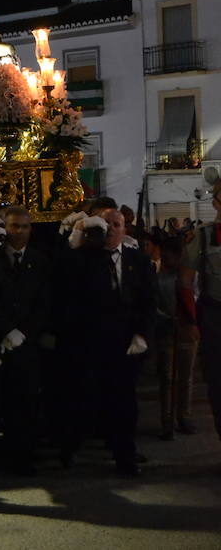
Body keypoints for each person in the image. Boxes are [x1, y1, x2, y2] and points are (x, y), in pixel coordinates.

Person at [63, 209, 155, 475]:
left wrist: (142, 334)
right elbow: (67, 288)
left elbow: (148, 302)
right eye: (107, 225)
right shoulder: (83, 259)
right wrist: (76, 239)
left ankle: (124, 455)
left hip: (125, 344)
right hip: (91, 342)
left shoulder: (138, 260)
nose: (112, 229)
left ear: (125, 229)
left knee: (124, 402)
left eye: (117, 225)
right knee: (84, 399)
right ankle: (70, 447)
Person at [0, 206, 51, 474]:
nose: (20, 232)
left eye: (25, 226)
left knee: (25, 402)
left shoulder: (40, 261)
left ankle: (23, 457)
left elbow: (44, 303)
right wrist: (6, 330)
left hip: (26, 345)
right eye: (15, 226)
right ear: (4, 229)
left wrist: (25, 332)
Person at [179, 177, 221, 441]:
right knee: (218, 384)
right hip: (215, 317)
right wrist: (192, 322)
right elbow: (185, 283)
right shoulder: (202, 237)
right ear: (216, 203)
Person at [154, 237, 199, 439]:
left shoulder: (191, 277)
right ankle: (167, 420)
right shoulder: (157, 277)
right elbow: (152, 304)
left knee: (185, 377)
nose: (166, 260)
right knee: (167, 378)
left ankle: (183, 416)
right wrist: (166, 317)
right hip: (166, 331)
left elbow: (197, 298)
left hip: (187, 330)